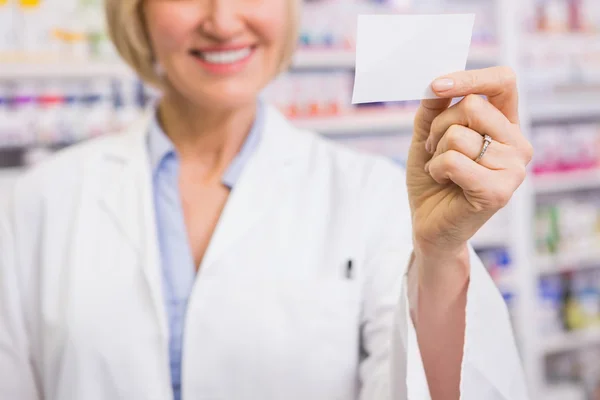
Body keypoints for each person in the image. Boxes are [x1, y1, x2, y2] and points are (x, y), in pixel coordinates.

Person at [0, 0, 533, 399]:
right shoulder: (37, 203)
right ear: (136, 14)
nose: (223, 20)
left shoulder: (372, 196)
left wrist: (441, 255)